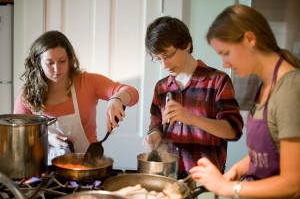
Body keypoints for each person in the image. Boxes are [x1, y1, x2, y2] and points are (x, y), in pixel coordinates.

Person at [189, 4, 300, 198]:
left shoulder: (290, 90)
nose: (224, 64)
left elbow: (293, 184)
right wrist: (236, 171)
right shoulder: (265, 85)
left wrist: (227, 188)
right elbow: (267, 153)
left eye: (226, 53)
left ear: (249, 39)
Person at [13, 30, 139, 164]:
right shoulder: (28, 93)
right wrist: (47, 138)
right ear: (38, 63)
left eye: (62, 61)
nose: (57, 69)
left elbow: (131, 93)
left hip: (88, 165)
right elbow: (19, 134)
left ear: (70, 59)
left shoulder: (87, 82)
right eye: (50, 63)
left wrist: (116, 99)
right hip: (44, 169)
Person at [143, 16, 244, 179]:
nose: (164, 65)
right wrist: (154, 135)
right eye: (158, 58)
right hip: (168, 177)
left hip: (207, 181)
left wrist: (191, 118)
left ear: (186, 45)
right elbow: (155, 126)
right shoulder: (161, 87)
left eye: (168, 55)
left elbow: (233, 131)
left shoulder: (218, 81)